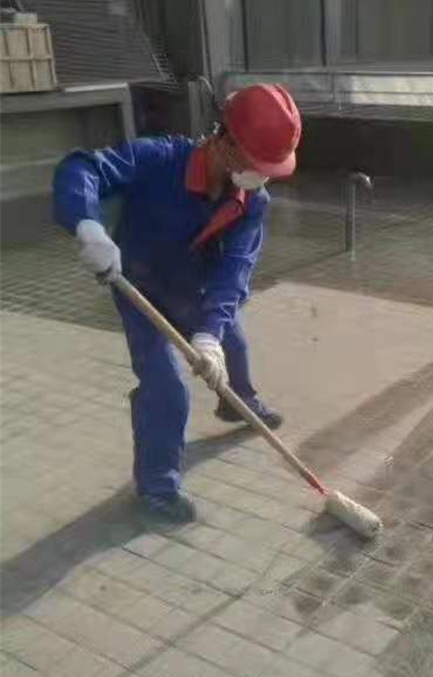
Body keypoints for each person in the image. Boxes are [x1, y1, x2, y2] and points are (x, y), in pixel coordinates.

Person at [53, 84, 301, 522]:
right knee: (166, 388)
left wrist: (209, 334)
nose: (261, 178)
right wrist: (86, 223)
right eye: (256, 165)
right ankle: (158, 487)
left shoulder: (252, 201)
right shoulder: (158, 159)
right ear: (225, 140)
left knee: (232, 348)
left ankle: (237, 402)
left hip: (196, 291)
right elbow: (83, 168)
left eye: (268, 170)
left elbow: (236, 270)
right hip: (140, 289)